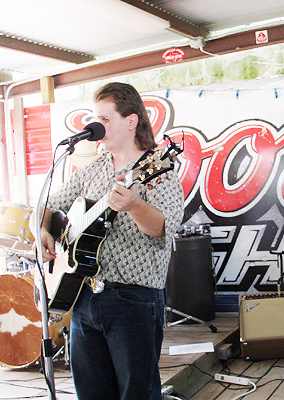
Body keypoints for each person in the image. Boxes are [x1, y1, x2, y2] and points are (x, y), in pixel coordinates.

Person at [36, 82, 184, 400]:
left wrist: (134, 205)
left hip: (133, 299)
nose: (96, 126)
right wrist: (44, 232)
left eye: (105, 119)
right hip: (83, 296)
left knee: (137, 393)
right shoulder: (91, 171)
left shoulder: (158, 169)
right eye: (95, 118)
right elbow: (47, 207)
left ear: (131, 121)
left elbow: (164, 229)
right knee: (91, 393)